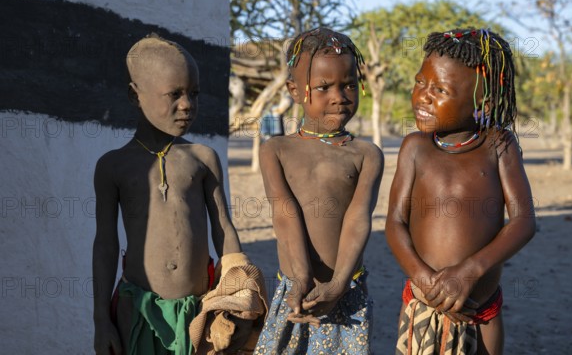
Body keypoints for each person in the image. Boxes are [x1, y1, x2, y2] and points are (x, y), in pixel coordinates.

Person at [92, 34, 259, 355]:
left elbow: (224, 229)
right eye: (175, 94)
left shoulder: (202, 158)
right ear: (134, 95)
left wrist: (238, 299)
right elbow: (105, 244)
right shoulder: (113, 166)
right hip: (137, 311)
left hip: (199, 312)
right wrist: (101, 319)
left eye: (193, 94)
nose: (187, 105)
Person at [386, 28, 536, 355]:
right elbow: (395, 222)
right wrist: (423, 278)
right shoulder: (414, 147)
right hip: (421, 303)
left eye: (440, 89)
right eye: (420, 82)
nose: (422, 96)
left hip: (478, 311)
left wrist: (470, 271)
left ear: (484, 100)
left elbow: (524, 221)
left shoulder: (499, 146)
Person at [253, 27, 384, 354]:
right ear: (295, 90)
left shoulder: (366, 154)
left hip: (347, 290)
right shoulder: (276, 149)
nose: (339, 96)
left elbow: (358, 219)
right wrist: (300, 277)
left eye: (349, 84)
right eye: (323, 87)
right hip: (295, 288)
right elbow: (284, 213)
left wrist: (339, 284)